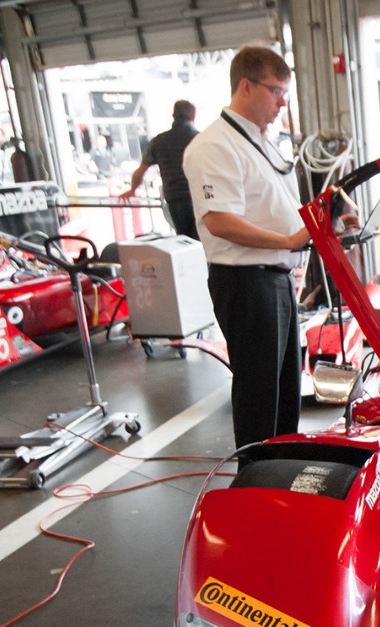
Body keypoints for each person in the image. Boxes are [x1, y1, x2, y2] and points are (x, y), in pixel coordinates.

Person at [182, 46, 350, 450]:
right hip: (246, 281)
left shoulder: (259, 140)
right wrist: (288, 241)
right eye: (275, 91)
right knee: (259, 396)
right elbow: (219, 220)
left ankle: (279, 472)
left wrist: (328, 225)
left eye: (284, 93)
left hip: (274, 278)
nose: (281, 103)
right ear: (245, 86)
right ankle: (254, 482)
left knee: (285, 391)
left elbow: (271, 206)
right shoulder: (215, 146)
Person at [121, 100, 200, 240]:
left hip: (174, 198)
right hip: (199, 197)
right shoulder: (200, 139)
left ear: (173, 116)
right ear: (193, 118)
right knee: (202, 239)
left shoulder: (159, 141)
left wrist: (132, 190)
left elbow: (139, 172)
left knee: (184, 240)